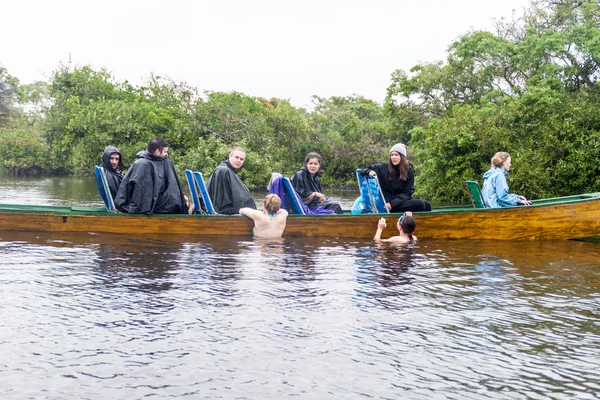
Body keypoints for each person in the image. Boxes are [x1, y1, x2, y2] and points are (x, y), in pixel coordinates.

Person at [114, 137, 188, 214]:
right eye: (165, 152)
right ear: (157, 152)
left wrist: (181, 197)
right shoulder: (141, 164)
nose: (167, 154)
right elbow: (129, 188)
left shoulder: (166, 162)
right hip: (150, 206)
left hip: (159, 201)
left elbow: (173, 185)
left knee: (181, 202)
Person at [360, 143, 431, 213]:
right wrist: (369, 172)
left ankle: (415, 222)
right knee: (421, 204)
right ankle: (405, 222)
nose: (393, 157)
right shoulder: (383, 167)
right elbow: (362, 170)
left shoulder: (408, 169)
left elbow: (408, 192)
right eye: (392, 155)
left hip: (400, 201)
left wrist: (393, 203)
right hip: (387, 203)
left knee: (427, 205)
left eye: (396, 155)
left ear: (402, 157)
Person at [206, 147, 256, 214]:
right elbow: (222, 202)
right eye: (236, 157)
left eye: (241, 159)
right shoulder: (224, 171)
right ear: (230, 156)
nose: (238, 161)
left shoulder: (228, 171)